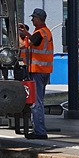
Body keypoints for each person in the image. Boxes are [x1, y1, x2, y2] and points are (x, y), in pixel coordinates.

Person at [19, 9, 54, 140]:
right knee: (38, 101)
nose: (32, 20)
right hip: (44, 71)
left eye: (33, 18)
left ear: (38, 19)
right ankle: (39, 129)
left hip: (37, 71)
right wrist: (26, 32)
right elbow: (34, 39)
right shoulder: (44, 32)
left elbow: (23, 45)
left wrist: (17, 35)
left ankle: (40, 132)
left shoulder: (40, 33)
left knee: (36, 102)